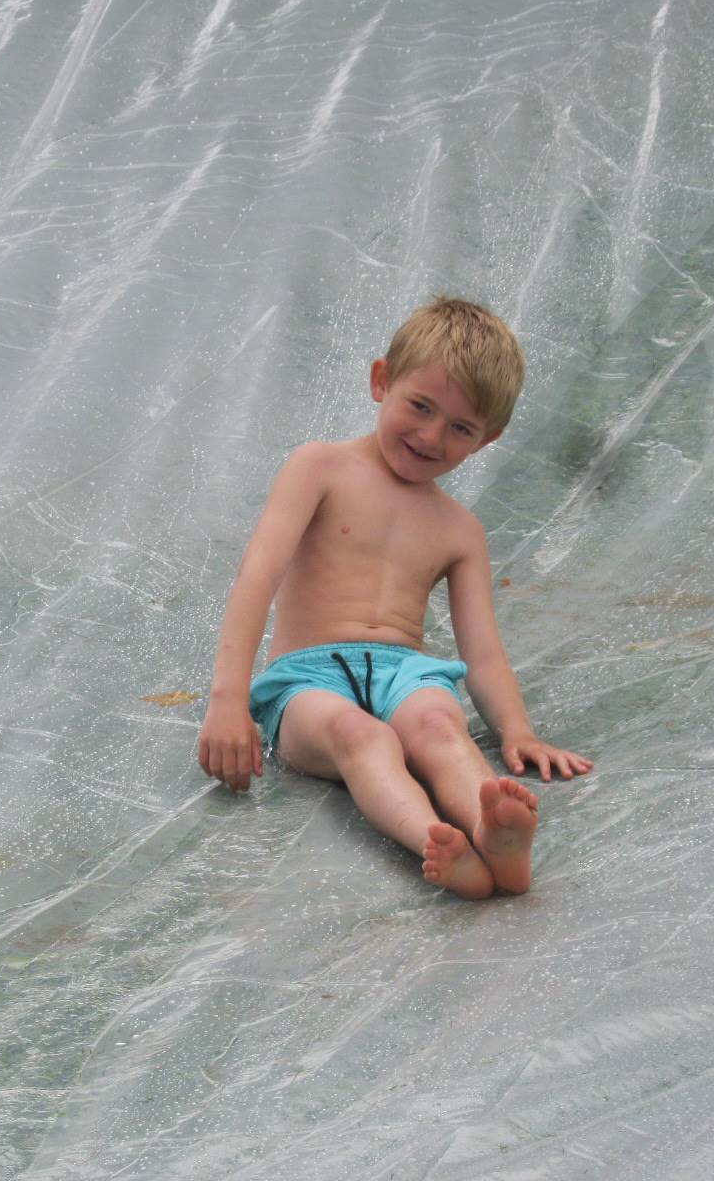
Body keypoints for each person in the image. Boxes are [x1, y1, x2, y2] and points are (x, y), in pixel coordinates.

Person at [196, 296, 593, 899]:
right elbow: (257, 577)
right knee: (362, 738)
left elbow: (481, 652)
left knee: (438, 723)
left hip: (406, 672)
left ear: (487, 439)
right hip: (306, 682)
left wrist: (518, 730)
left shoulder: (460, 530)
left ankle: (493, 835)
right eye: (420, 406)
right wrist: (227, 702)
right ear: (382, 381)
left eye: (460, 427)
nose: (431, 436)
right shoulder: (319, 468)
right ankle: (435, 839)